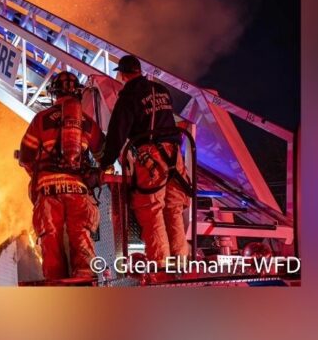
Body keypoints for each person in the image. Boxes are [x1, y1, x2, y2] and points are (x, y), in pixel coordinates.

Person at [101, 55, 191, 266]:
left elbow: (117, 134)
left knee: (151, 210)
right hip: (175, 156)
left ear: (122, 75)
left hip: (151, 157)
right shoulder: (160, 90)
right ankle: (181, 263)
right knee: (173, 210)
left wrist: (105, 162)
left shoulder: (129, 96)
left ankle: (160, 265)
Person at [18, 71, 105, 281]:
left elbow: (26, 156)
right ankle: (85, 282)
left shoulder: (41, 119)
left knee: (50, 239)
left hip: (49, 193)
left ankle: (56, 285)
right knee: (81, 236)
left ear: (54, 93)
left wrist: (39, 176)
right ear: (78, 93)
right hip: (78, 192)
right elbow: (104, 155)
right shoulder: (87, 122)